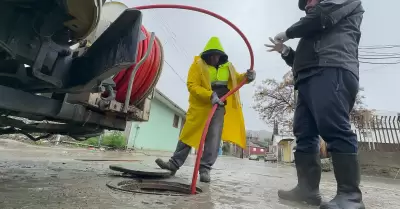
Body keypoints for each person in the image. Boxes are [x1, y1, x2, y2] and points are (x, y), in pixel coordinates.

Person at [265, 0, 364, 209]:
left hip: (333, 69)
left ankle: (351, 197)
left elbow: (322, 16)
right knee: (304, 133)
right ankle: (307, 190)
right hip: (309, 76)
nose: (308, 3)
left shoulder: (331, 9)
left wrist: (288, 32)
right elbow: (305, 58)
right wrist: (286, 52)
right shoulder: (313, 26)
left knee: (334, 128)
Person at [155, 37, 255, 183]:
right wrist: (209, 95)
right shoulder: (197, 65)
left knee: (213, 137)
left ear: (221, 56)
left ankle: (205, 169)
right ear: (207, 54)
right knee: (188, 134)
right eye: (212, 55)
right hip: (201, 104)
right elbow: (192, 85)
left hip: (219, 105)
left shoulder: (229, 67)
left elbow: (237, 80)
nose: (215, 58)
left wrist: (248, 77)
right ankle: (173, 164)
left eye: (217, 55)